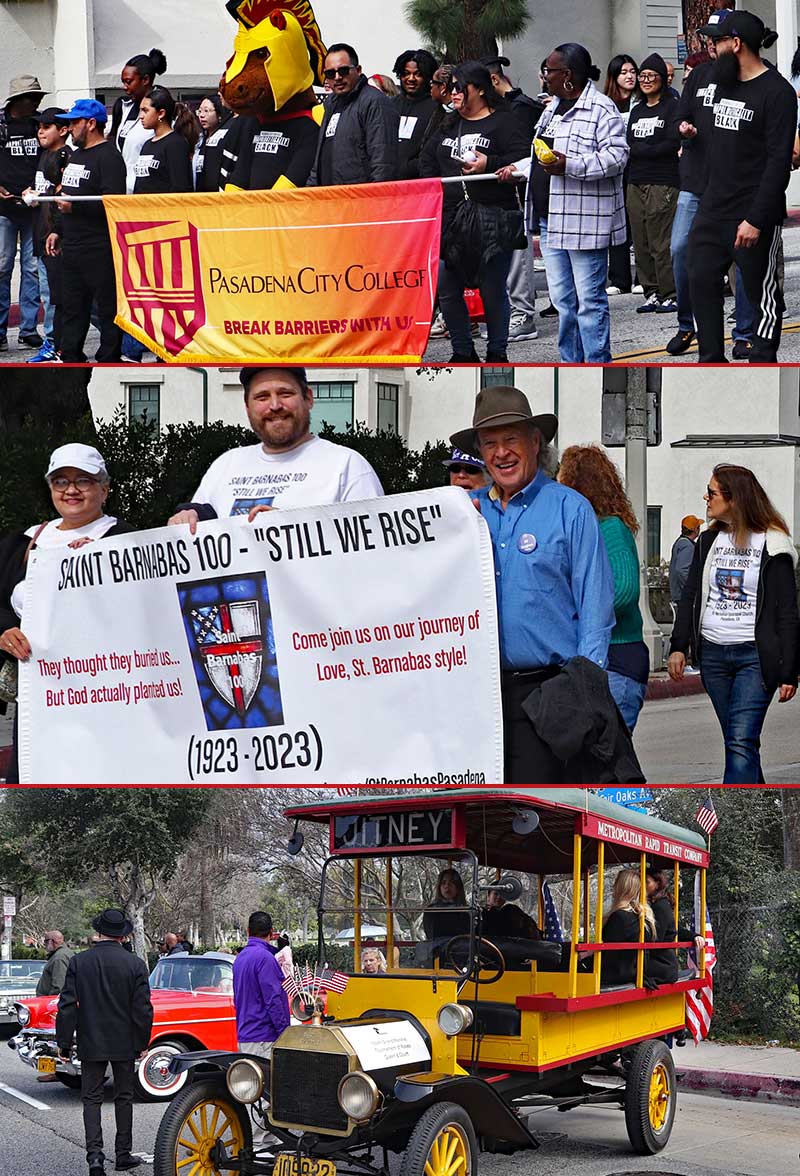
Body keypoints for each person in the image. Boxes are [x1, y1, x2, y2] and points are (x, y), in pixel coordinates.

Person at [450, 386, 615, 783]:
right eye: (490, 443)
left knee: (535, 810)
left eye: (511, 440)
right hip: (477, 696)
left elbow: (596, 608)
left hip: (550, 693)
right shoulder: (463, 515)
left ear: (535, 442)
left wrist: (583, 693)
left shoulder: (570, 509)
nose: (501, 453)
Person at [0, 443, 134, 784]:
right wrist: (4, 632)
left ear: (104, 489)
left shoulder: (126, 540)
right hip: (40, 697)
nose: (71, 490)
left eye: (84, 481)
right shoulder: (21, 544)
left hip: (106, 694)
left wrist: (105, 563)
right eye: (61, 481)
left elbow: (145, 610)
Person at [668, 464, 799, 783]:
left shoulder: (774, 543)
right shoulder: (709, 540)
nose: (706, 497)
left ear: (735, 499)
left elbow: (787, 612)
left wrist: (790, 671)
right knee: (739, 742)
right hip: (713, 657)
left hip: (755, 658)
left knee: (740, 742)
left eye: (712, 492)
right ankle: (761, 804)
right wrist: (678, 646)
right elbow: (690, 596)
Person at [500, 43, 629, 364]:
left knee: (589, 301)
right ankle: (572, 362)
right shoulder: (552, 108)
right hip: (551, 219)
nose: (545, 78)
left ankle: (596, 362)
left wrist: (569, 165)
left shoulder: (601, 109)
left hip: (585, 222)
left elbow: (617, 158)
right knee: (563, 302)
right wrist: (517, 169)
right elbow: (541, 155)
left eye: (550, 72)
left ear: (568, 75)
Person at [688, 10, 795, 363]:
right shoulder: (722, 83)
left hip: (752, 215)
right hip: (712, 209)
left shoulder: (776, 92)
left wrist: (756, 219)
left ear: (735, 43)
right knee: (700, 282)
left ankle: (763, 360)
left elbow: (779, 163)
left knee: (761, 295)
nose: (711, 49)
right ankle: (710, 361)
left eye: (716, 41)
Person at [167, 367, 383, 531]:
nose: (275, 406)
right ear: (247, 407)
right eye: (262, 397)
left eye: (285, 393)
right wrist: (186, 520)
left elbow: (373, 551)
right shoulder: (225, 465)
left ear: (308, 398)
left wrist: (293, 531)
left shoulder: (347, 465)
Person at [421, 61, 530, 363]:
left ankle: (497, 352)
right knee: (446, 285)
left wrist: (490, 164)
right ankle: (462, 351)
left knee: (493, 287)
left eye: (459, 87)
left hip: (494, 217)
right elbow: (427, 160)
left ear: (480, 89)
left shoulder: (504, 122)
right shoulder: (446, 123)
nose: (453, 94)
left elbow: (522, 160)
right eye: (450, 88)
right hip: (452, 219)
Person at [557, 445, 650, 732]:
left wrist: (573, 610)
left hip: (617, 659)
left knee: (607, 761)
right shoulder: (587, 528)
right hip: (601, 660)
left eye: (562, 477)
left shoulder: (610, 529)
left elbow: (624, 589)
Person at [56, 908, 153, 1175]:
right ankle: (123, 1154)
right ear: (123, 936)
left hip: (91, 1039)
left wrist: (64, 1042)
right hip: (124, 1041)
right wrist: (143, 1041)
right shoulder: (135, 965)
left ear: (99, 932)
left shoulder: (80, 962)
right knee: (124, 1097)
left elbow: (67, 1006)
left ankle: (95, 1158)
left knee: (91, 1099)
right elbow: (143, 1009)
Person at [52, 100, 126, 363]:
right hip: (72, 245)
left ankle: (109, 358)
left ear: (91, 123)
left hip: (99, 246)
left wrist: (76, 209)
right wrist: (57, 229)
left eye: (74, 122)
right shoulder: (77, 154)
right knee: (72, 308)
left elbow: (113, 204)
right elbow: (68, 196)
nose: (70, 128)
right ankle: (71, 357)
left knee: (107, 309)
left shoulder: (109, 157)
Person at [483, 55, 544, 343]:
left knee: (518, 258)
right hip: (497, 192)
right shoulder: (499, 110)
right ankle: (509, 313)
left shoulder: (520, 109)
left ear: (494, 80)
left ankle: (523, 314)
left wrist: (491, 161)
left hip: (518, 192)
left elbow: (523, 154)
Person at [626, 54, 680, 316]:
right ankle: (652, 292)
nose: (646, 81)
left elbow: (671, 143)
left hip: (663, 181)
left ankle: (671, 293)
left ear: (663, 79)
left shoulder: (672, 107)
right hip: (635, 180)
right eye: (643, 76)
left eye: (652, 76)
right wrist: (648, 148)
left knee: (662, 241)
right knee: (641, 241)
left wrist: (643, 149)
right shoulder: (636, 110)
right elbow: (629, 144)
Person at [232, 911, 290, 1150]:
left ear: (248, 932)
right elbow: (274, 1000)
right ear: (271, 933)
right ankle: (265, 1144)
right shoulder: (265, 960)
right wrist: (285, 1031)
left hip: (246, 1031)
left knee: (255, 1091)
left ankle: (261, 1141)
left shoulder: (241, 958)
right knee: (271, 1093)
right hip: (265, 1033)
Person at [307, 43, 399, 186]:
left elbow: (383, 163)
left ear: (358, 70)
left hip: (360, 201)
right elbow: (319, 159)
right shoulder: (331, 104)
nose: (337, 77)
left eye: (343, 71)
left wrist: (376, 199)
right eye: (330, 73)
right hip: (328, 198)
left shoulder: (375, 102)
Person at [0, 74, 46, 353]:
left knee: (31, 269)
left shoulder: (38, 124)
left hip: (33, 207)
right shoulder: (1, 124)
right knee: (2, 267)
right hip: (4, 208)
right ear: (20, 100)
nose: (38, 102)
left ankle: (28, 330)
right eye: (34, 98)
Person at [25, 106, 70, 363]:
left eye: (46, 127)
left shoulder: (65, 156)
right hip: (41, 233)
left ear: (63, 130)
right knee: (48, 293)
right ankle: (54, 342)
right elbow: (45, 192)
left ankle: (54, 343)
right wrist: (32, 195)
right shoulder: (44, 156)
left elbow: (62, 197)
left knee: (55, 295)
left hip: (56, 237)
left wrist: (56, 231)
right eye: (39, 127)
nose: (41, 132)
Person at [604, 54, 639, 297]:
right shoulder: (605, 104)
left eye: (632, 71)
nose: (630, 76)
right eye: (624, 72)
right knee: (616, 223)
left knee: (638, 222)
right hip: (615, 169)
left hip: (638, 166)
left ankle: (643, 277)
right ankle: (619, 278)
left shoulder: (642, 101)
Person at [110, 48, 168, 192]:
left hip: (148, 190)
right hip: (123, 189)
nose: (125, 87)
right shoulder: (123, 106)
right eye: (123, 82)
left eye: (129, 82)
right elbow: (113, 140)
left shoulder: (164, 107)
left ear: (146, 80)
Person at [645, 867, 705, 986]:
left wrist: (695, 936)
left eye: (647, 882)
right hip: (663, 963)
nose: (642, 885)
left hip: (661, 964)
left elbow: (657, 939)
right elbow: (675, 928)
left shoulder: (659, 906)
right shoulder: (655, 904)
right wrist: (693, 936)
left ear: (657, 884)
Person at [132, 86, 194, 194]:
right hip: (142, 209)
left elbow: (180, 186)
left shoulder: (176, 144)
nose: (141, 116)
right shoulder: (147, 144)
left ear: (161, 113)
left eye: (145, 111)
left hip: (164, 209)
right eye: (140, 111)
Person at [601, 868, 655, 987]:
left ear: (620, 888)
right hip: (637, 972)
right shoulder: (645, 917)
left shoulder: (619, 916)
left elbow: (609, 949)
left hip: (617, 974)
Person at [392, 49, 438, 180]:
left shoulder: (437, 109)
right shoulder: (389, 105)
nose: (411, 79)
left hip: (420, 184)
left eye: (418, 74)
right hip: (388, 183)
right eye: (406, 74)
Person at [422, 868, 472, 941]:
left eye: (451, 882)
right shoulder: (432, 910)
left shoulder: (467, 910)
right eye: (443, 883)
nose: (447, 886)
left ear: (458, 886)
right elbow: (431, 935)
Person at [669, 514, 703, 604]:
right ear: (695, 530)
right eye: (698, 527)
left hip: (679, 594)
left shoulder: (680, 542)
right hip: (684, 596)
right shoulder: (688, 546)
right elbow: (682, 570)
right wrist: (691, 589)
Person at [36, 930, 75, 995]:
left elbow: (59, 986)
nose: (44, 944)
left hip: (52, 1002)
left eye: (45, 941)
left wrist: (50, 1001)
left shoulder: (59, 957)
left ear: (51, 941)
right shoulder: (66, 953)